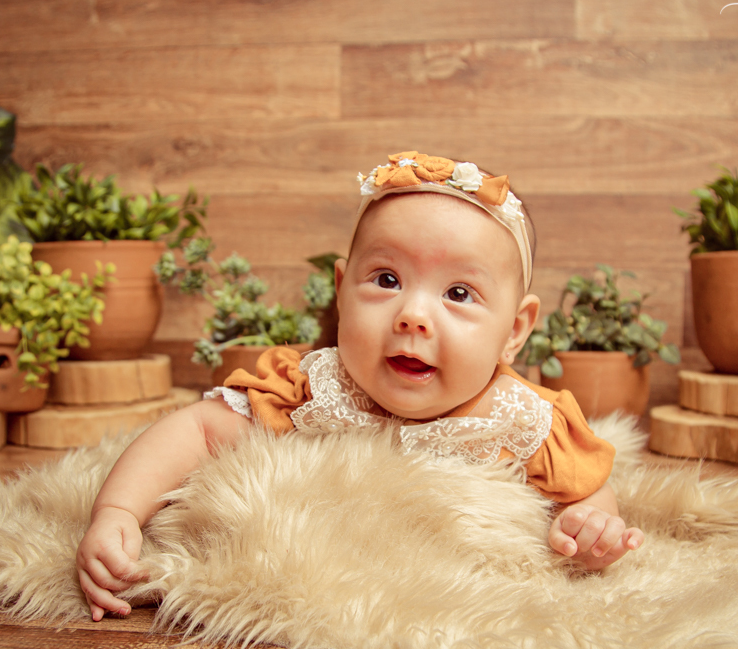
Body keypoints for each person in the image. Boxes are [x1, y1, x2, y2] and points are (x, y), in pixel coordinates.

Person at [76, 152, 645, 621]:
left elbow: (586, 489)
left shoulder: (522, 420)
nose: (413, 316)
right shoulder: (314, 388)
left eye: (459, 293)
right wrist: (118, 511)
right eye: (387, 279)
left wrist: (591, 524)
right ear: (342, 291)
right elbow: (198, 430)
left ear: (514, 331)